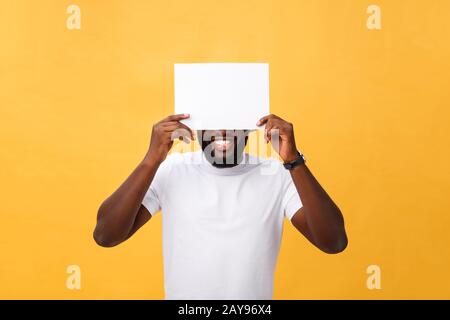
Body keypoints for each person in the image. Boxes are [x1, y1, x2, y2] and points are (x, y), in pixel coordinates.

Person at [93, 113, 348, 299]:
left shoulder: (276, 174)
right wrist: (152, 159)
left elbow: (333, 241)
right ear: (195, 127)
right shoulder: (172, 170)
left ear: (251, 126)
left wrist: (293, 160)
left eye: (233, 121)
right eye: (212, 120)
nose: (223, 131)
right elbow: (106, 235)